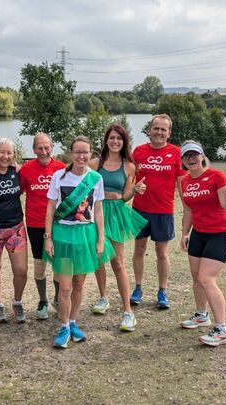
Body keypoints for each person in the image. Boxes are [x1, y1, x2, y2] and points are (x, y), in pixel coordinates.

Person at [43, 136, 115, 349]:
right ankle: (64, 326)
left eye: (86, 152)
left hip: (86, 235)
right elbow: (49, 208)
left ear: (91, 154)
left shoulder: (95, 178)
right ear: (70, 153)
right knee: (65, 287)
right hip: (63, 236)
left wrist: (101, 238)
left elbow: (99, 211)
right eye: (77, 152)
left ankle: (73, 321)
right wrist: (48, 238)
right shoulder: (59, 177)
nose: (81, 156)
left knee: (79, 283)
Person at [178, 140, 226, 346]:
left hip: (220, 233)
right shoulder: (184, 181)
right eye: (187, 156)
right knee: (196, 278)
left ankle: (221, 329)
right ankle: (201, 315)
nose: (191, 159)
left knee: (207, 279)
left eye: (194, 155)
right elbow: (189, 210)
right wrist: (184, 233)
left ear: (202, 156)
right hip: (199, 233)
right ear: (182, 160)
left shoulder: (216, 176)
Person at [89, 125, 147, 332]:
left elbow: (124, 196)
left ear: (124, 142)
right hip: (96, 212)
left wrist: (135, 190)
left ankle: (128, 312)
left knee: (118, 263)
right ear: (106, 140)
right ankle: (103, 297)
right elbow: (86, 189)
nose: (115, 141)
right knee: (98, 258)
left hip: (115, 214)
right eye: (111, 138)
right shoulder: (94, 164)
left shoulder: (129, 166)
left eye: (119, 138)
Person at [130, 114, 185, 309]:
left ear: (169, 133)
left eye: (163, 129)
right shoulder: (138, 152)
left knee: (162, 252)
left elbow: (182, 183)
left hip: (163, 211)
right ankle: (137, 288)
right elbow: (128, 176)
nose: (159, 132)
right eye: (156, 128)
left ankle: (162, 291)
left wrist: (189, 208)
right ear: (149, 130)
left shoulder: (177, 153)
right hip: (139, 210)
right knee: (139, 250)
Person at [19, 132, 66, 320]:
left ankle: (57, 298)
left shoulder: (62, 168)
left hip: (58, 224)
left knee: (58, 264)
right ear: (34, 149)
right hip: (35, 224)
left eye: (47, 147)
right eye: (40, 148)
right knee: (39, 264)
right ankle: (43, 300)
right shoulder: (26, 169)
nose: (44, 151)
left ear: (52, 148)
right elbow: (16, 191)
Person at [0, 138, 28, 323]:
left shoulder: (17, 172)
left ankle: (17, 302)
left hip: (16, 228)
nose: (5, 156)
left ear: (14, 156)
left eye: (9, 153)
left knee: (21, 270)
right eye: (2, 152)